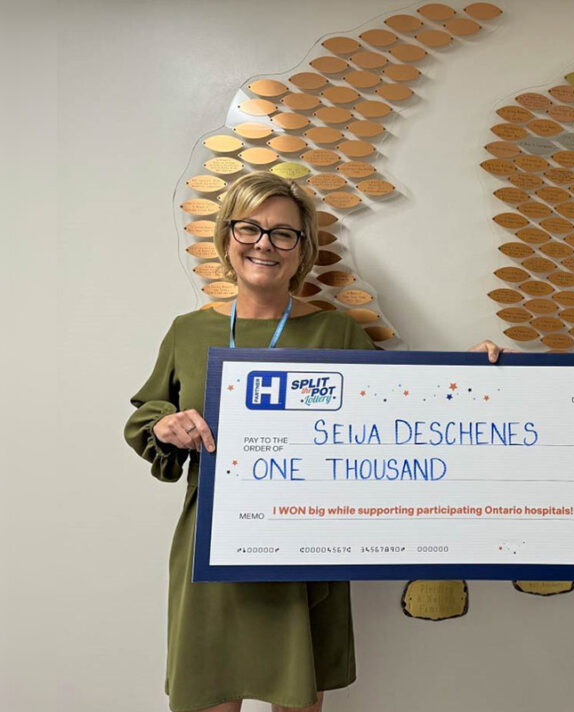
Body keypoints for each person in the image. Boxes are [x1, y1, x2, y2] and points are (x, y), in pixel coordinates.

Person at [125, 171, 501, 712]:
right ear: (227, 236)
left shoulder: (337, 333)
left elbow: (404, 413)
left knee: (297, 699)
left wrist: (472, 377)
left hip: (306, 546)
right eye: (250, 228)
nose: (264, 244)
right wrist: (164, 425)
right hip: (212, 547)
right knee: (208, 694)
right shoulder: (188, 330)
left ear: (303, 251)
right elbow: (145, 414)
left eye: (283, 233)